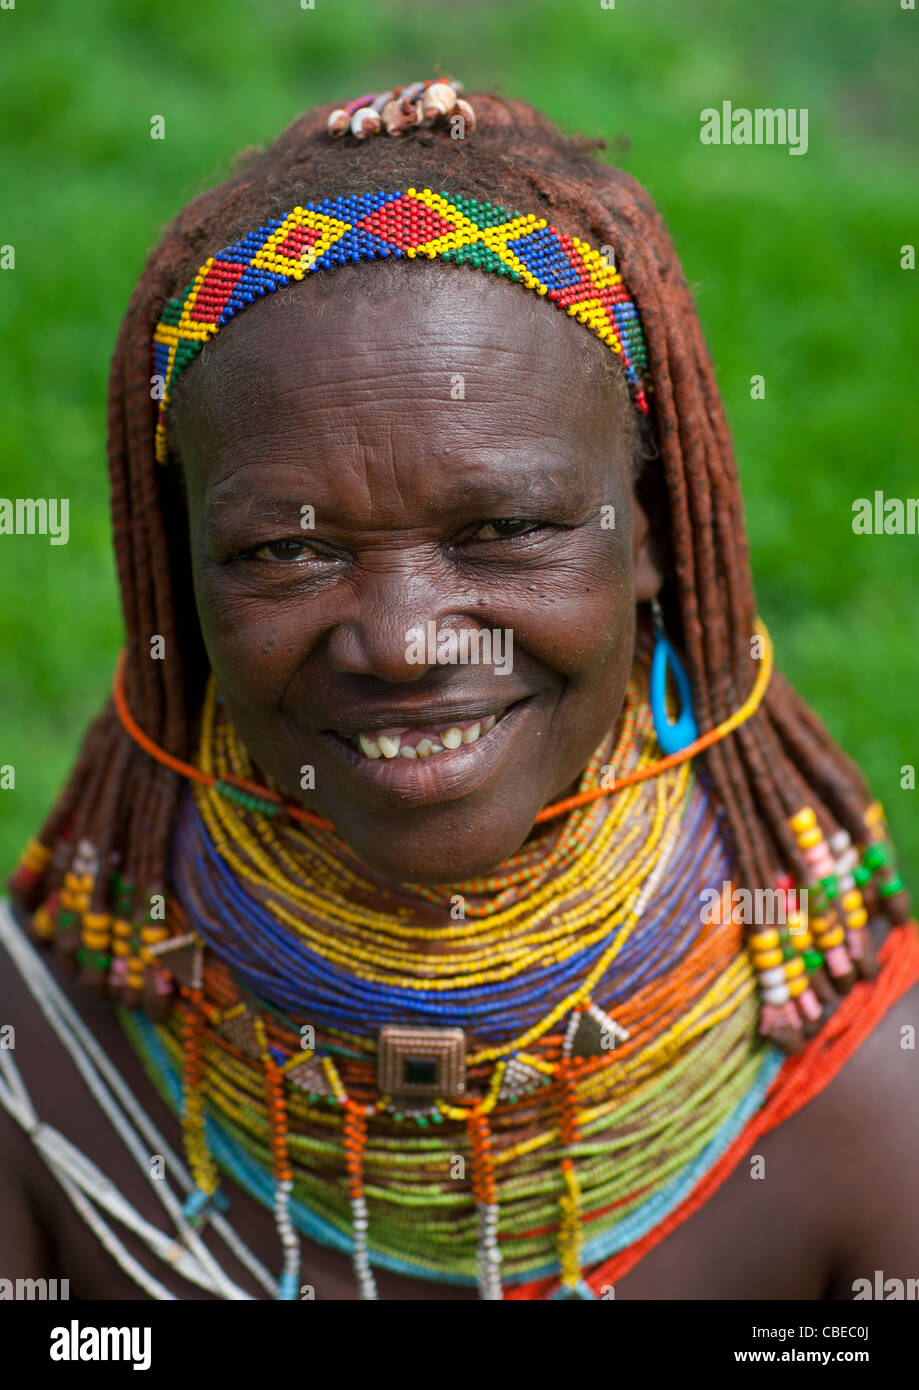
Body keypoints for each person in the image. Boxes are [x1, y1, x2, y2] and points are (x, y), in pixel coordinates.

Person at [2, 82, 918, 1302]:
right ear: (183, 575)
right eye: (287, 549)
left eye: (502, 527)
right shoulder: (50, 1047)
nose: (401, 641)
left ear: (645, 532)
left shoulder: (855, 1090)